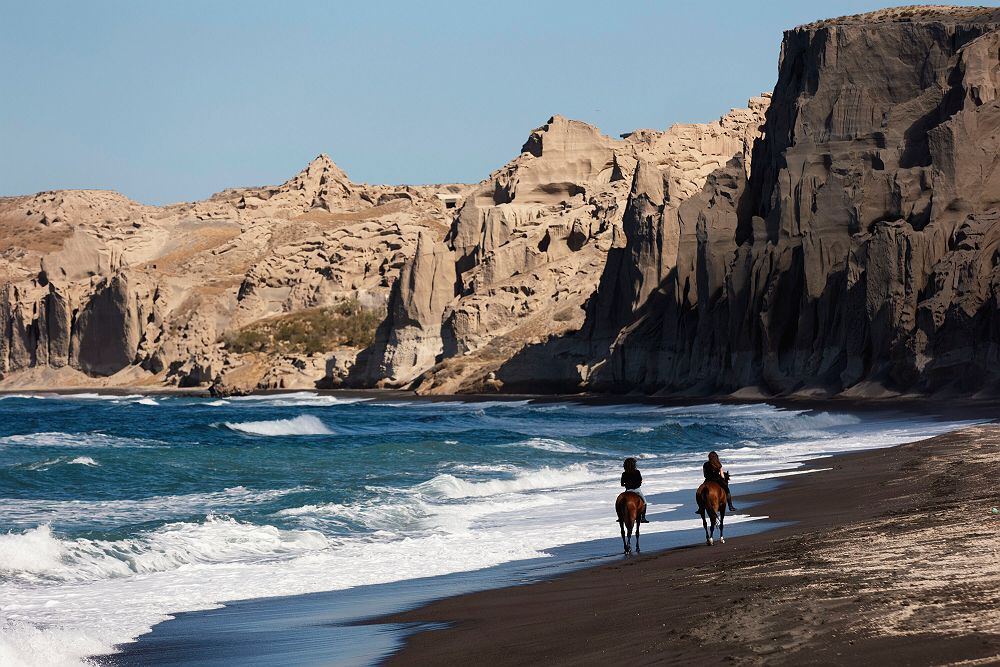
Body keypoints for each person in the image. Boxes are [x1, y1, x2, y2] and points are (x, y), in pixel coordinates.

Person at [621, 457, 649, 522]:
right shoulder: (637, 472)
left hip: (628, 490)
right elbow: (640, 481)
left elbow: (622, 484)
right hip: (637, 490)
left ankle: (621, 517)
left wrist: (627, 485)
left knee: (622, 503)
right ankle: (643, 518)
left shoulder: (624, 473)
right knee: (644, 502)